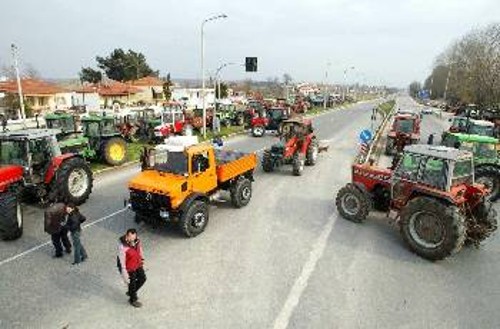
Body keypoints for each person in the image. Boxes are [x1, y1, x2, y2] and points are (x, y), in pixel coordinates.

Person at [118, 228, 146, 308]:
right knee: (132, 282)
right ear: (127, 236)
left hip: (137, 263)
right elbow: (121, 261)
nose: (132, 239)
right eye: (130, 237)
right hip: (129, 267)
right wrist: (124, 273)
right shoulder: (122, 247)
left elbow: (140, 249)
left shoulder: (137, 241)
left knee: (143, 278)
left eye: (134, 237)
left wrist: (142, 258)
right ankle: (132, 299)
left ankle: (131, 291)